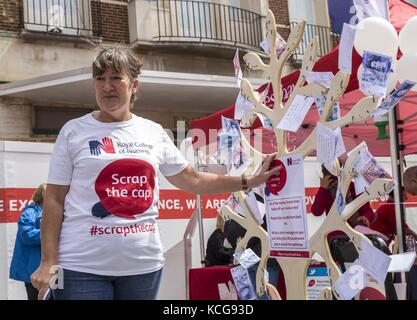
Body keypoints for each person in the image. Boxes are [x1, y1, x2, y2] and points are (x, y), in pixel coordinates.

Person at [30, 46, 281, 300]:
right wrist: (47, 261)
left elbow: (193, 179)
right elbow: (54, 199)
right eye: (100, 79)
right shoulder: (74, 131)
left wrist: (249, 181)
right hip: (81, 268)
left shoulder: (152, 132)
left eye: (116, 78)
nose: (107, 86)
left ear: (134, 85)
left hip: (143, 267)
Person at [9, 184, 46, 300]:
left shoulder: (56, 212)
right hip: (34, 269)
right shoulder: (29, 213)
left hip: (51, 269)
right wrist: (51, 234)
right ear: (42, 196)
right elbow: (27, 235)